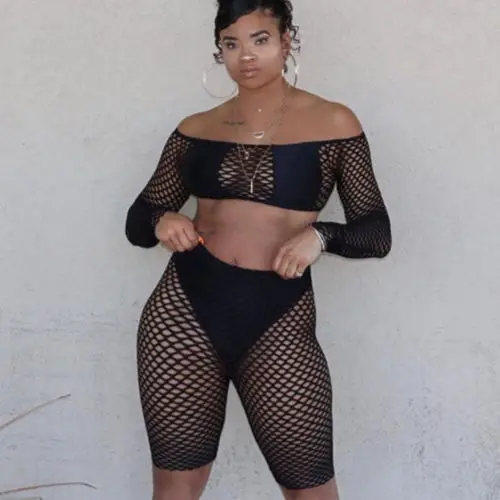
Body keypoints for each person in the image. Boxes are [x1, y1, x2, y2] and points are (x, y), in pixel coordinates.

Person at [125, 1, 392, 499]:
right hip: (183, 312)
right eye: (231, 43)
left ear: (287, 41)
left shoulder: (334, 122)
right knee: (175, 488)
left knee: (311, 489)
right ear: (219, 51)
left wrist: (322, 236)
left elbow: (377, 232)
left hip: (278, 315)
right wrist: (163, 219)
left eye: (260, 40)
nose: (245, 55)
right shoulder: (196, 128)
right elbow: (138, 220)